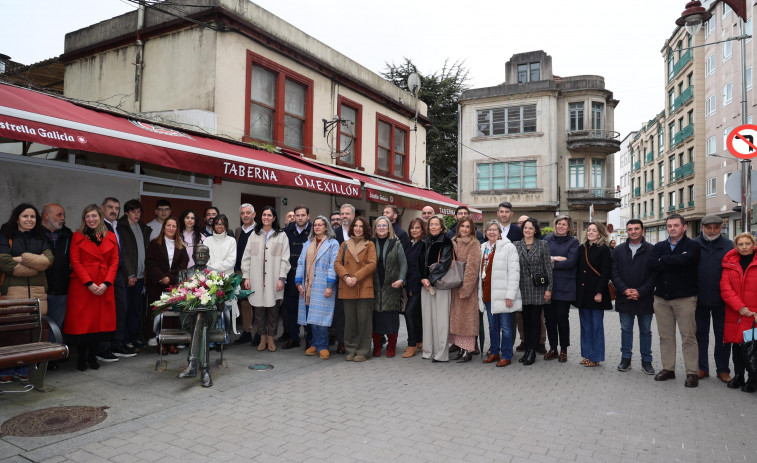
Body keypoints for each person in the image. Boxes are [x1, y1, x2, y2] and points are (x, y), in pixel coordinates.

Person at [0, 204, 54, 382]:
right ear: (17, 218)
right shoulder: (6, 235)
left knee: (34, 333)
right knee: (14, 331)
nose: (29, 220)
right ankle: (6, 371)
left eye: (32, 216)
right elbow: (5, 263)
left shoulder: (41, 236)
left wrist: (22, 258)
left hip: (38, 292)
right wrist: (35, 264)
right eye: (25, 216)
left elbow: (48, 261)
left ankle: (25, 370)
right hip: (13, 291)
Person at [63, 204, 119, 372]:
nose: (91, 219)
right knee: (83, 325)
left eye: (94, 216)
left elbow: (114, 262)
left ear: (100, 217)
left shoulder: (110, 236)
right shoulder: (77, 237)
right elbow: (76, 262)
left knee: (98, 325)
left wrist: (106, 283)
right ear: (84, 219)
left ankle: (92, 356)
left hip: (103, 285)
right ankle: (81, 357)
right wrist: (89, 283)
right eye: (87, 216)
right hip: (83, 287)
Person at [649, 214, 701, 388]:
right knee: (665, 336)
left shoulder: (693, 246)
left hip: (684, 299)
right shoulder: (659, 246)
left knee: (688, 336)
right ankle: (668, 368)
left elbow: (687, 260)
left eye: (676, 225)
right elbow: (652, 264)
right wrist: (675, 262)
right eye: (669, 226)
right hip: (661, 298)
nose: (672, 228)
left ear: (684, 227)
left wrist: (664, 260)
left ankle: (692, 372)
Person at [242, 206, 290, 352]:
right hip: (256, 279)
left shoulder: (281, 235)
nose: (266, 218)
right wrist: (246, 277)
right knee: (259, 311)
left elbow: (285, 259)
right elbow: (246, 257)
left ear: (274, 218)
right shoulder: (254, 235)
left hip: (274, 280)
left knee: (274, 311)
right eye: (264, 215)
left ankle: (271, 338)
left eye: (269, 215)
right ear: (261, 217)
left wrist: (282, 277)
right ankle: (262, 337)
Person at [612, 219, 656, 375]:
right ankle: (625, 359)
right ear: (627, 231)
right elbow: (614, 273)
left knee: (645, 331)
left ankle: (647, 361)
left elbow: (654, 275)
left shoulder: (652, 250)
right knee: (626, 330)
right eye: (630, 229)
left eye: (636, 228)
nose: (633, 231)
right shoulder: (618, 250)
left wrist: (640, 292)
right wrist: (625, 290)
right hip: (624, 298)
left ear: (642, 230)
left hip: (644, 298)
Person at [693, 214, 733, 383]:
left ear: (721, 228)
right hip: (698, 299)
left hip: (723, 300)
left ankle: (723, 370)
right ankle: (702, 368)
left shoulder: (729, 246)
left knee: (723, 336)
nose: (712, 231)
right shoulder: (693, 245)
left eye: (716, 227)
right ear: (702, 228)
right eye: (708, 228)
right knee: (700, 335)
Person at [478, 220, 521, 367]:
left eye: (495, 230)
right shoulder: (483, 247)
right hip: (488, 294)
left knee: (507, 327)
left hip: (503, 295)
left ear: (499, 232)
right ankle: (494, 352)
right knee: (492, 326)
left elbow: (514, 272)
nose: (491, 232)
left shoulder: (508, 247)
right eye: (489, 229)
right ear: (485, 232)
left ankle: (507, 355)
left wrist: (510, 295)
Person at [295, 216, 339, 359]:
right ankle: (314, 343)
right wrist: (298, 282)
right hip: (308, 286)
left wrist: (329, 285)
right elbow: (301, 262)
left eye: (321, 225)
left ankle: (323, 346)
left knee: (322, 318)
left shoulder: (333, 244)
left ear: (326, 227)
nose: (317, 227)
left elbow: (334, 265)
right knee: (311, 317)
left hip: (323, 286)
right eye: (315, 225)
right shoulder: (308, 243)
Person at [334, 216, 377, 362]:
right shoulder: (345, 245)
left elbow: (372, 264)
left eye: (361, 226)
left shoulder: (369, 245)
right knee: (350, 321)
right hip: (347, 286)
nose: (358, 228)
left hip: (363, 287)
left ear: (365, 229)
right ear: (352, 228)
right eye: (356, 226)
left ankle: (364, 351)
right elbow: (337, 263)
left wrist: (356, 277)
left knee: (364, 321)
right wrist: (346, 277)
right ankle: (351, 348)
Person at [145, 217, 189, 355]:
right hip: (157, 285)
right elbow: (150, 263)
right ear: (164, 227)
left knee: (173, 316)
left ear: (177, 229)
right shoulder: (154, 244)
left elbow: (183, 266)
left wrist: (169, 277)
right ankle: (160, 342)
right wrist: (161, 277)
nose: (171, 228)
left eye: (174, 226)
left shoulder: (181, 246)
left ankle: (171, 343)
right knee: (159, 314)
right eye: (168, 225)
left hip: (173, 285)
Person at [720, 233, 757, 392]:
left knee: (751, 347)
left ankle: (753, 378)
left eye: (747, 243)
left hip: (754, 315)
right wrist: (741, 307)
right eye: (740, 244)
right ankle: (739, 375)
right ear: (736, 246)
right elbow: (725, 288)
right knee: (736, 347)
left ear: (753, 244)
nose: (744, 247)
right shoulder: (730, 263)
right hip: (736, 313)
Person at [513, 217, 552, 365]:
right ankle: (528, 347)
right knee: (525, 321)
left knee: (535, 321)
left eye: (530, 228)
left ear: (535, 230)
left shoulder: (543, 244)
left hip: (538, 288)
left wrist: (549, 289)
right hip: (521, 288)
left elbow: (548, 268)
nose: (527, 230)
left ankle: (531, 352)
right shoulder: (516, 245)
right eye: (525, 228)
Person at [177, 244, 216, 387]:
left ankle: (193, 366)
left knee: (202, 318)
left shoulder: (215, 274)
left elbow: (219, 301)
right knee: (201, 322)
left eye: (203, 254)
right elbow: (178, 299)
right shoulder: (184, 274)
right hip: (188, 318)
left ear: (208, 257)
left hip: (209, 316)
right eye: (198, 254)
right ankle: (205, 371)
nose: (200, 257)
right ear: (193, 257)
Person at [575, 222, 613, 368]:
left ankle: (596, 357)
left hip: (596, 294)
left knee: (596, 327)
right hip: (583, 295)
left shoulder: (604, 250)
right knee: (585, 326)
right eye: (589, 230)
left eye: (594, 230)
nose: (590, 232)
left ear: (600, 233)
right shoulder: (582, 248)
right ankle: (587, 355)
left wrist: (599, 292)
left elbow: (605, 274)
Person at [116, 199, 151, 356]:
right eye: (133, 211)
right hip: (128, 276)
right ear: (126, 213)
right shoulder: (121, 228)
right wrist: (130, 273)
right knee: (126, 309)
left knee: (136, 309)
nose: (136, 214)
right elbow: (125, 254)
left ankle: (134, 337)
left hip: (142, 275)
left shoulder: (143, 228)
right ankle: (123, 340)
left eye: (138, 212)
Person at [543, 215, 579, 363]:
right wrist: (555, 259)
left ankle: (563, 349)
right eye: (558, 224)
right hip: (547, 286)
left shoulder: (573, 242)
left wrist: (550, 260)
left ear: (569, 227)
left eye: (564, 224)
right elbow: (542, 259)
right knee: (549, 320)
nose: (560, 226)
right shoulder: (547, 240)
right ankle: (553, 348)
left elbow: (571, 262)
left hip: (564, 287)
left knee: (562, 319)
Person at [370, 216, 407, 358]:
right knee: (376, 318)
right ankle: (377, 347)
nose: (381, 228)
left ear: (389, 227)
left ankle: (392, 346)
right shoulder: (370, 243)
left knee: (390, 318)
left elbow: (403, 264)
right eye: (378, 226)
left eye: (384, 225)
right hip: (374, 285)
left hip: (391, 286)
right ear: (375, 228)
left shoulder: (396, 243)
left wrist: (401, 280)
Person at [418, 216, 453, 362]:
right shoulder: (425, 241)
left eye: (436, 224)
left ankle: (441, 354)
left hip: (440, 285)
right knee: (427, 320)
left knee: (441, 321)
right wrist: (423, 279)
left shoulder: (445, 241)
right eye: (431, 224)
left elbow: (444, 264)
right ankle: (428, 350)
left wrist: (430, 280)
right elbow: (419, 262)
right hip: (426, 285)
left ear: (441, 226)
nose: (433, 227)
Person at [447, 217, 482, 363]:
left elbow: (472, 269)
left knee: (467, 322)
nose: (465, 229)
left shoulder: (474, 244)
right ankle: (460, 349)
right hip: (453, 287)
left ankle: (468, 351)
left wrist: (466, 289)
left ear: (472, 229)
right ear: (458, 228)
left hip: (466, 288)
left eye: (468, 227)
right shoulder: (453, 241)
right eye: (462, 226)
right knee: (456, 321)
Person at [98, 197, 125, 362]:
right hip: (105, 274)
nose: (114, 210)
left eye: (117, 208)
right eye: (110, 207)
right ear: (102, 208)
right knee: (105, 312)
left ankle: (116, 344)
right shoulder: (99, 227)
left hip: (119, 273)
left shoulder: (117, 227)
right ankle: (102, 348)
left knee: (120, 310)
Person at [204, 214, 237, 347]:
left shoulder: (231, 241)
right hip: (209, 280)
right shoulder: (207, 241)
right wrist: (213, 270)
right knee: (211, 311)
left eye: (222, 224)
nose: (219, 226)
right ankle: (211, 341)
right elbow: (205, 260)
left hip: (226, 280)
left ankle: (222, 340)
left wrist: (214, 267)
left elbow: (231, 261)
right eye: (217, 223)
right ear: (213, 225)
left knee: (224, 311)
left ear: (226, 226)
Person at [41, 203, 72, 341]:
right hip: (40, 289)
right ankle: (38, 359)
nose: (63, 218)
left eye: (64, 215)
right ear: (47, 215)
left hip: (61, 290)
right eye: (59, 214)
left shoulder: (68, 235)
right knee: (39, 327)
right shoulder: (35, 234)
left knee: (56, 327)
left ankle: (52, 360)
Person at [282, 205, 311, 349]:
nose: (300, 218)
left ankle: (309, 338)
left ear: (308, 216)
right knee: (291, 308)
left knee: (307, 307)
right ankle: (294, 338)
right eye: (297, 215)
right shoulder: (286, 231)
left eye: (303, 215)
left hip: (308, 276)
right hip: (291, 274)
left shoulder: (314, 229)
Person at [329, 203, 355, 353]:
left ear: (353, 215)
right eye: (342, 214)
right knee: (340, 313)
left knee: (354, 313)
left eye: (347, 213)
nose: (344, 216)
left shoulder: (360, 232)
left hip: (356, 280)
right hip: (339, 280)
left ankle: (353, 341)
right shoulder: (333, 234)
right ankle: (341, 342)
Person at [233, 204, 257, 346]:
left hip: (255, 272)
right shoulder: (237, 230)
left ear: (254, 214)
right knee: (244, 303)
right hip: (240, 272)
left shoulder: (259, 230)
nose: (245, 215)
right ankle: (247, 332)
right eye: (243, 213)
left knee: (258, 303)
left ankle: (260, 333)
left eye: (248, 213)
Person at [402, 218, 426, 358]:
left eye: (417, 227)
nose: (414, 230)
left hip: (419, 285)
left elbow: (419, 268)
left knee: (409, 313)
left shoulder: (423, 245)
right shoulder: (411, 244)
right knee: (416, 315)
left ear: (423, 229)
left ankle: (411, 345)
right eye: (412, 228)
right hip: (411, 285)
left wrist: (414, 286)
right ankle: (419, 341)